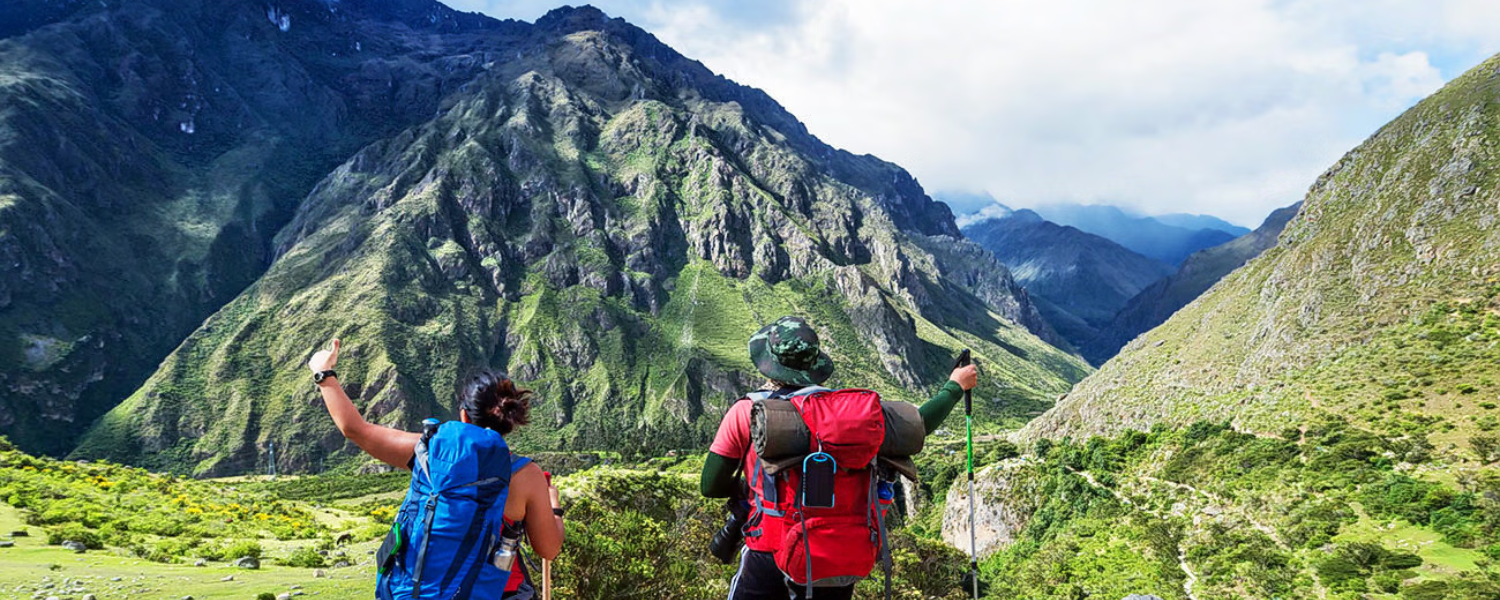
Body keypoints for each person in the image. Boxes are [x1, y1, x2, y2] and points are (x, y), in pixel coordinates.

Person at [700, 317, 979, 600]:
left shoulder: (747, 413)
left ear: (770, 366)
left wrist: (746, 489)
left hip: (768, 553)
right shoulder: (857, 418)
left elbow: (710, 485)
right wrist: (954, 386)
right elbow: (919, 424)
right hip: (835, 557)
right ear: (816, 365)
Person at [308, 339, 564, 599]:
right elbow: (549, 549)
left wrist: (323, 371)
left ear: (464, 415)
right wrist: (554, 506)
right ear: (510, 421)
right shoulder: (526, 475)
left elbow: (355, 429)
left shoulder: (426, 451)